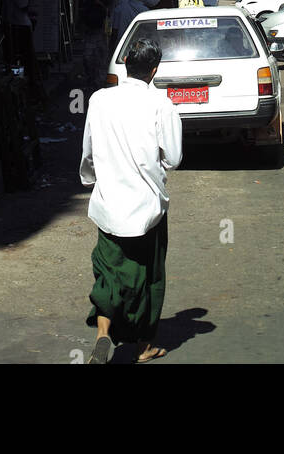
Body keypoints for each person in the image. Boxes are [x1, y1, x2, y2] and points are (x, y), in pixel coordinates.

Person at [80, 37, 183, 364]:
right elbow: (175, 157)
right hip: (147, 210)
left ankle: (102, 334)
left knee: (108, 273)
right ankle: (144, 347)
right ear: (154, 70)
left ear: (125, 64)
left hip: (109, 205)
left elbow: (88, 151)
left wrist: (90, 179)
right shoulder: (161, 105)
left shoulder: (99, 99)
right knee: (149, 278)